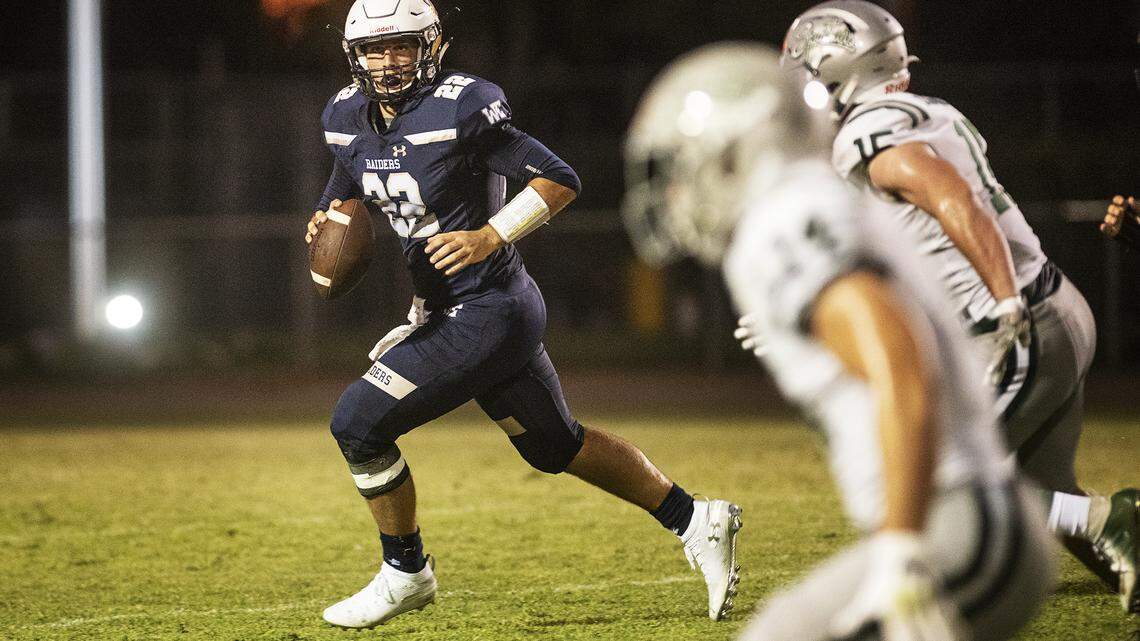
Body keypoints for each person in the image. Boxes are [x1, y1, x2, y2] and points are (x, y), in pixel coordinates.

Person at [303, 0, 741, 629]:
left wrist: (491, 234)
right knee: (556, 447)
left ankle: (406, 572)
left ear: (431, 46)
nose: (390, 60)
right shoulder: (346, 117)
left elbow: (559, 179)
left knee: (357, 422)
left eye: (403, 45)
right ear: (354, 57)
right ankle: (697, 518)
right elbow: (347, 184)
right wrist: (326, 218)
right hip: (455, 311)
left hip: (488, 310)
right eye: (376, 49)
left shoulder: (460, 109)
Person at [624, 41, 1054, 641]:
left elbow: (902, 362)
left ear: (733, 152)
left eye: (680, 168)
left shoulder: (780, 220)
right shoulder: (810, 198)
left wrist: (903, 551)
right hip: (975, 520)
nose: (673, 195)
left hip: (957, 527)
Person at [778, 0, 1138, 613]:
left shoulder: (869, 131)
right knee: (1045, 495)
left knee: (948, 487)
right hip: (1047, 307)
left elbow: (948, 198)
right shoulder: (925, 111)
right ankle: (1120, 543)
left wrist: (1003, 300)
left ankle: (1118, 519)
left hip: (1016, 320)